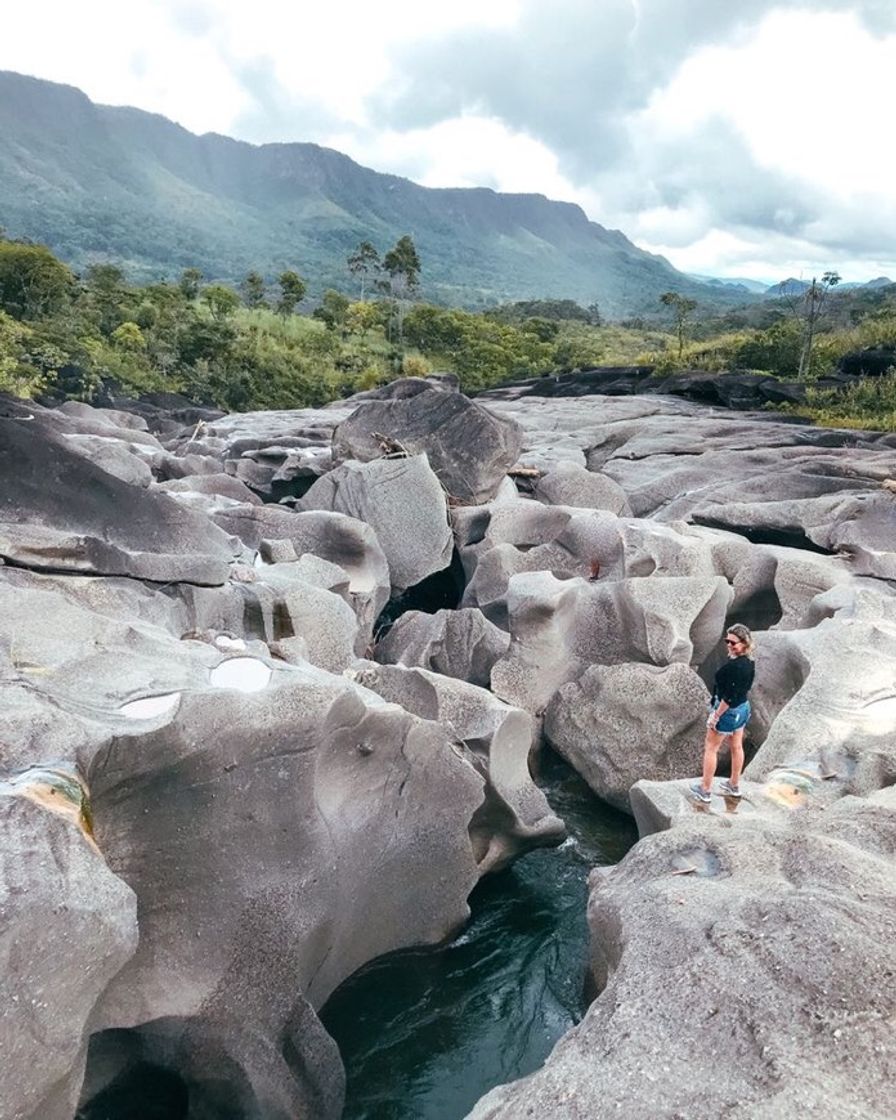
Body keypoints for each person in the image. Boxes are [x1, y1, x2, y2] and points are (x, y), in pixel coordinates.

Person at [690, 624, 755, 803]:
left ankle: (705, 790)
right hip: (742, 708)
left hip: (728, 710)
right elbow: (743, 689)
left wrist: (716, 715)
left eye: (733, 643)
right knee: (736, 746)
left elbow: (728, 697)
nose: (729, 645)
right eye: (727, 641)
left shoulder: (735, 667)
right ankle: (734, 785)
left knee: (711, 748)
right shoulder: (749, 662)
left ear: (744, 644)